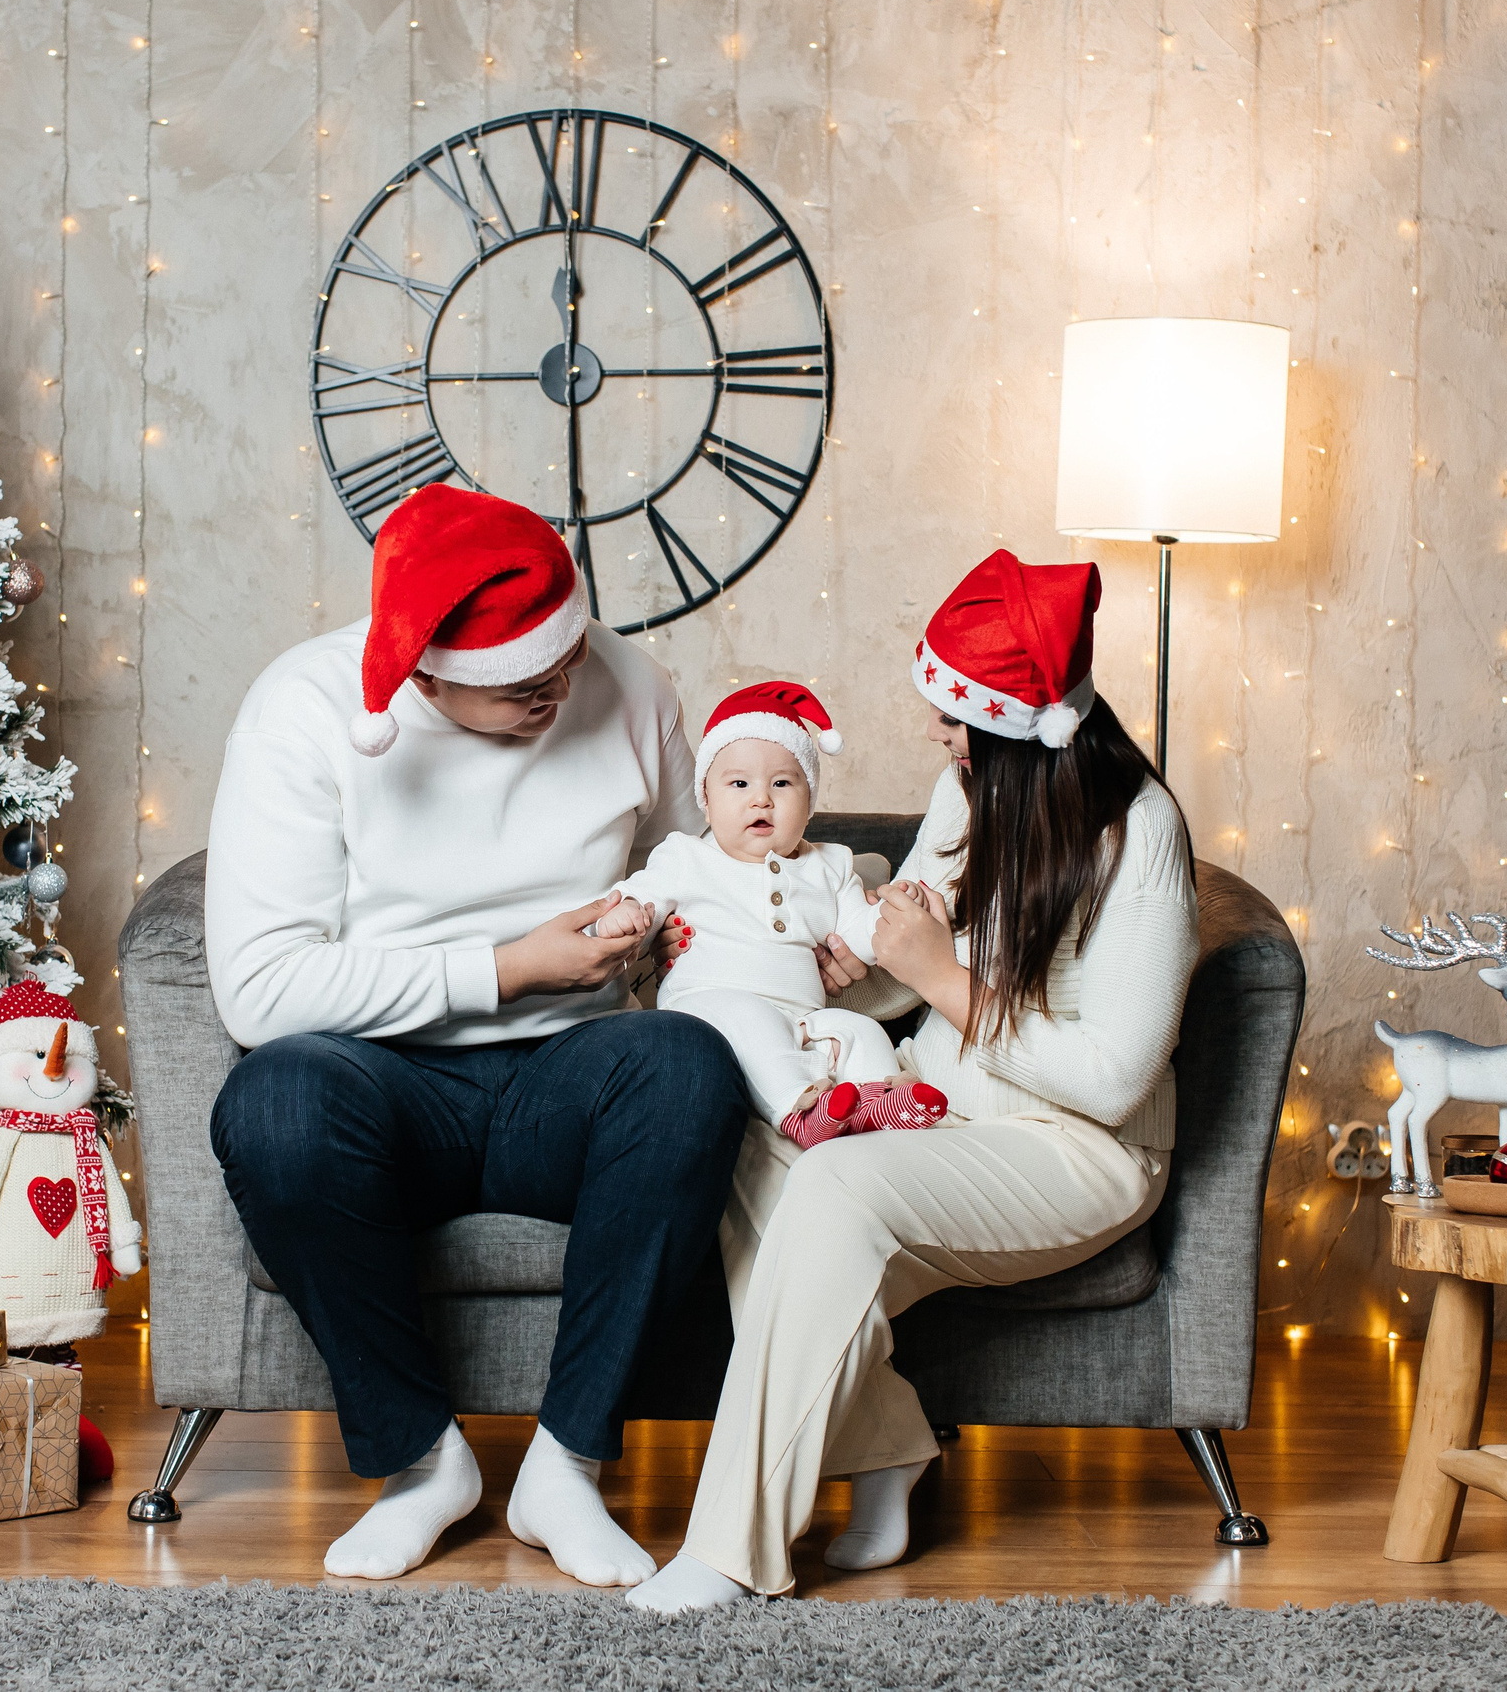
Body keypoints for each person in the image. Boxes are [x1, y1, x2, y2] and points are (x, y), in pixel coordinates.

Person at [628, 549, 1199, 1612]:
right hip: (937, 1108)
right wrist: (840, 965)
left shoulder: (1139, 833)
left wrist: (936, 976)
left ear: (1019, 727)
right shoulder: (965, 788)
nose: (936, 733)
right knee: (747, 1142)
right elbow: (907, 956)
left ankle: (728, 1551)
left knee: (836, 1182)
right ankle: (888, 1447)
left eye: (953, 717)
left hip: (1076, 1148)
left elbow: (1115, 1079)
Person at [205, 483, 748, 1588]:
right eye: (517, 687)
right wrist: (505, 968)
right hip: (381, 1079)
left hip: (571, 1074)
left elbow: (698, 880)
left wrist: (730, 936)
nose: (558, 692)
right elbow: (259, 991)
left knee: (690, 1066)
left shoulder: (632, 685)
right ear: (420, 674)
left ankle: (568, 1465)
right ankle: (421, 1464)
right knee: (274, 1103)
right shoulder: (303, 709)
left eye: (565, 660)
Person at [592, 680, 947, 1147]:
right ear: (706, 801)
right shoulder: (686, 856)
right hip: (711, 1003)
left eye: (781, 783)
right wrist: (628, 913)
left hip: (804, 1014)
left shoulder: (831, 865)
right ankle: (798, 1110)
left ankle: (877, 1102)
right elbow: (644, 898)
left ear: (809, 802)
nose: (761, 799)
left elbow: (858, 937)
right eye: (739, 784)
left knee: (859, 1029)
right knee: (751, 1021)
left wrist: (893, 912)